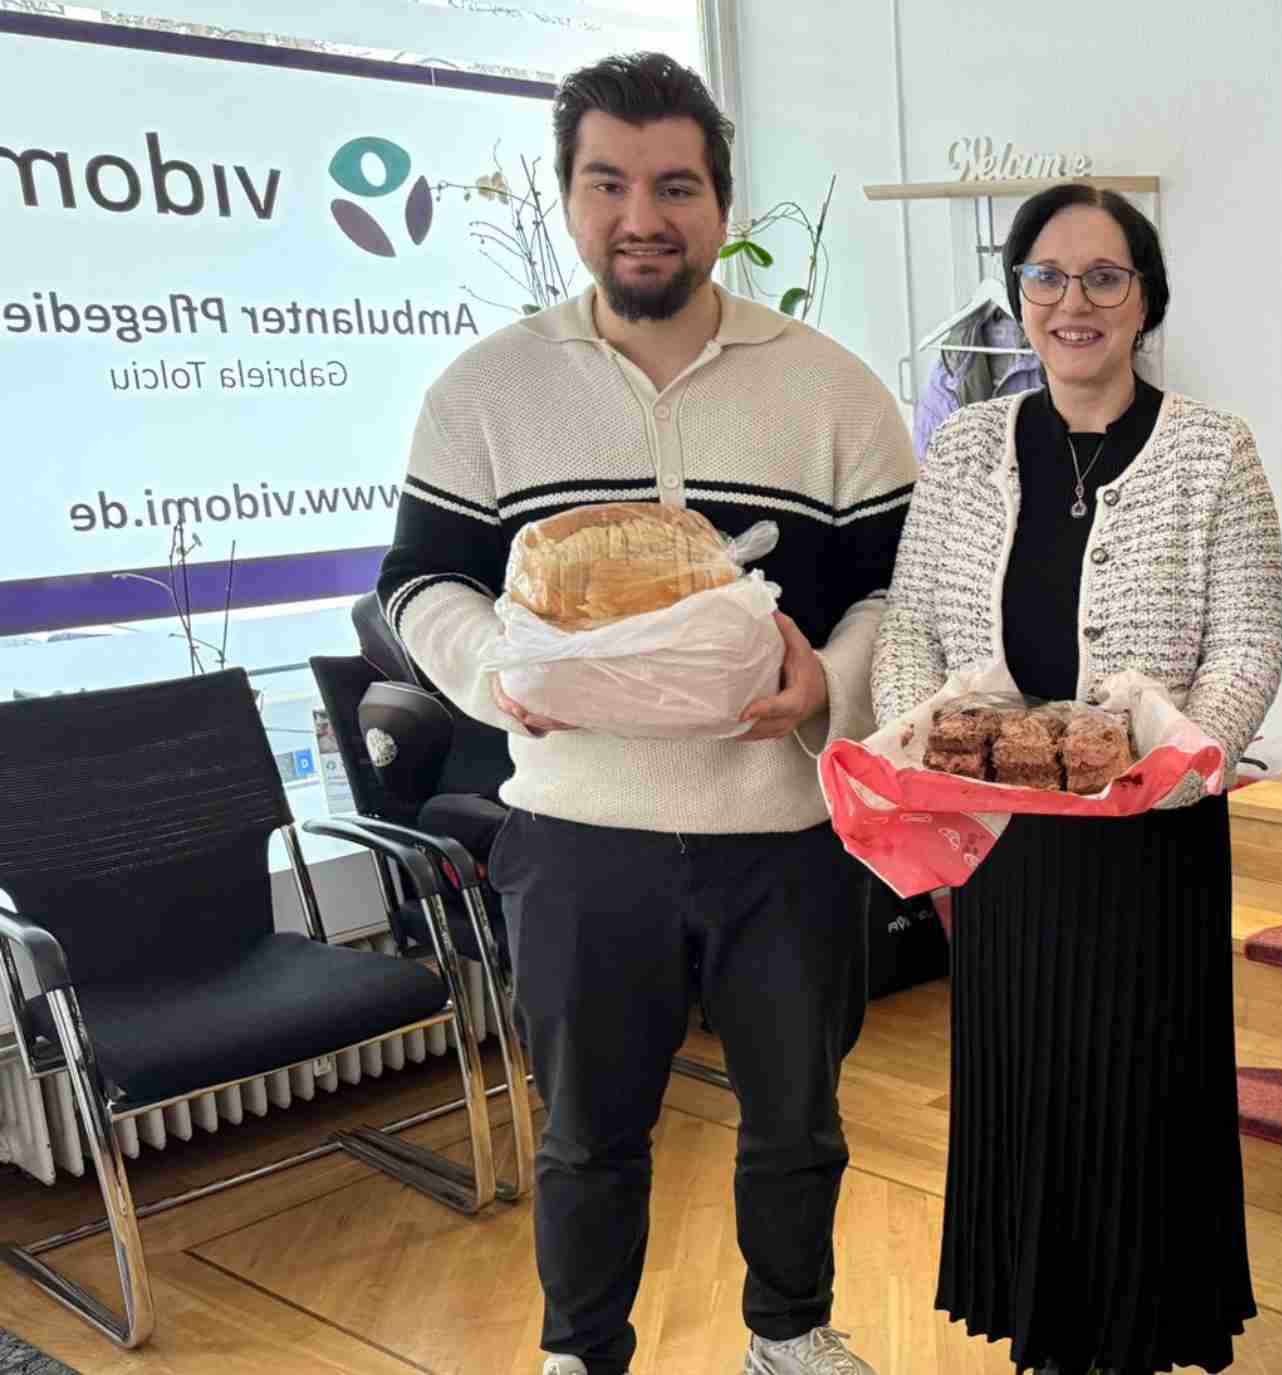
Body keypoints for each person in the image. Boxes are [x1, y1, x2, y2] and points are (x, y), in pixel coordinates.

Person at [375, 52, 913, 1375]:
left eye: (674, 184)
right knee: (586, 1129)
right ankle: (580, 1351)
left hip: (784, 828)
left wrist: (827, 688)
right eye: (607, 180)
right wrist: (493, 667)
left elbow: (904, 594)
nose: (641, 213)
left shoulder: (832, 389)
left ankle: (787, 1333)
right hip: (575, 832)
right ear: (569, 197)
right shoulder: (485, 391)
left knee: (799, 1115)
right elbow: (416, 579)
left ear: (720, 202)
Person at [873, 183, 1282, 1372]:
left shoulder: (1213, 449)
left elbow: (1249, 640)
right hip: (1002, 837)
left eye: (1105, 277)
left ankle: (1137, 1335)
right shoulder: (963, 448)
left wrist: (1182, 759)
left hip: (1149, 840)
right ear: (1017, 297)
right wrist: (914, 743)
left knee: (1140, 1096)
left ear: (1147, 298)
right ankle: (1044, 1335)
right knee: (1026, 1090)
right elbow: (910, 623)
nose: (1074, 302)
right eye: (1047, 277)